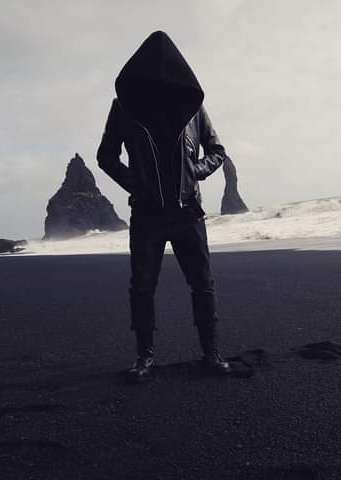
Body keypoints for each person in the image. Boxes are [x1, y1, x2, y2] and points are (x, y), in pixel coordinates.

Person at [96, 30, 231, 383]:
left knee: (202, 284)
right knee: (142, 287)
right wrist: (136, 184)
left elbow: (217, 151)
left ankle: (211, 352)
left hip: (188, 212)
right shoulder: (125, 107)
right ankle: (144, 357)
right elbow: (106, 156)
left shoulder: (193, 107)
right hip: (147, 215)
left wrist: (195, 171)